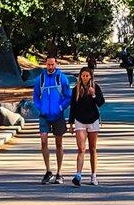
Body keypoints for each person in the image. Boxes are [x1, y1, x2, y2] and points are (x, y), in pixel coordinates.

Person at [33, 52, 71, 184]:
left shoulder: (62, 78)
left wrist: (61, 108)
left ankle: (59, 173)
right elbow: (36, 97)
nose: (50, 67)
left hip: (57, 115)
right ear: (45, 64)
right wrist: (40, 108)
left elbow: (68, 96)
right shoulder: (40, 79)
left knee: (59, 143)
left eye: (52, 64)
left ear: (56, 64)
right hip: (44, 115)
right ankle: (48, 170)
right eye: (48, 64)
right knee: (43, 141)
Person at [68, 66, 105, 186]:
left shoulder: (95, 87)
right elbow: (73, 106)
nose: (84, 78)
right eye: (83, 75)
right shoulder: (76, 89)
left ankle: (94, 175)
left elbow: (101, 102)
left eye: (87, 75)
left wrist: (94, 95)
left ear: (90, 77)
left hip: (93, 120)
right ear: (80, 76)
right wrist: (71, 123)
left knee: (93, 149)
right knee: (81, 149)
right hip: (80, 120)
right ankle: (78, 175)